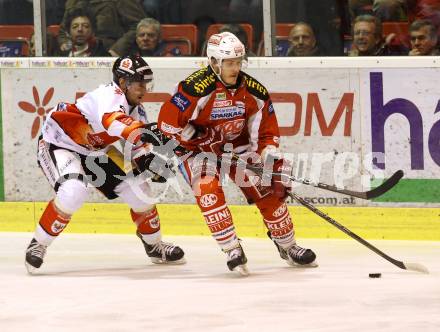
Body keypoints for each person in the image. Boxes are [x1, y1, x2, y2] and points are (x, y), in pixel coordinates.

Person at [158, 32, 317, 275]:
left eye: (238, 62)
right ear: (214, 63)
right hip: (197, 152)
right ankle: (232, 248)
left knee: (269, 189)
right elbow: (167, 124)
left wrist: (271, 162)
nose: (235, 68)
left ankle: (288, 245)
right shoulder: (195, 88)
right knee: (208, 189)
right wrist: (198, 137)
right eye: (229, 63)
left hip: (236, 148)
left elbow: (266, 134)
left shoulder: (254, 91)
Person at [25, 55, 185, 274]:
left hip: (94, 151)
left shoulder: (135, 109)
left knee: (141, 191)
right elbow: (116, 123)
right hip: (59, 143)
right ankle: (38, 244)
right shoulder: (107, 97)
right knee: (74, 191)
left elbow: (136, 150)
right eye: (139, 83)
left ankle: (154, 246)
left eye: (146, 83)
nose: (144, 89)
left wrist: (149, 163)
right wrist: (149, 132)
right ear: (122, 82)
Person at [57, 0, 146, 57]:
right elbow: (63, 31)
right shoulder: (73, 2)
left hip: (110, 54)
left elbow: (139, 25)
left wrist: (118, 49)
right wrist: (67, 46)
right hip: (77, 56)